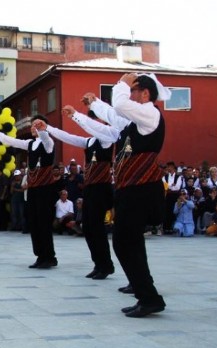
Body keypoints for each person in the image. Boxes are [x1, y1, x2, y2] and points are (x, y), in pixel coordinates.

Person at [83, 72, 170, 317]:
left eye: (133, 90)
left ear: (145, 93)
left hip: (141, 188)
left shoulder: (151, 113)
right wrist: (93, 104)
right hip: (131, 189)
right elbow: (113, 113)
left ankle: (149, 296)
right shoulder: (136, 122)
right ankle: (143, 291)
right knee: (130, 241)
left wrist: (122, 81)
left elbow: (119, 104)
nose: (129, 94)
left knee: (123, 241)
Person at [44, 106, 115, 279]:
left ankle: (106, 265)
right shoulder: (89, 142)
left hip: (101, 187)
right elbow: (68, 137)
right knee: (88, 227)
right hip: (90, 187)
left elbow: (91, 127)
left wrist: (75, 116)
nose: (95, 124)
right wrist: (48, 128)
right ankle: (98, 264)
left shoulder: (107, 138)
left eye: (97, 121)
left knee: (97, 227)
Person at [0, 117, 58, 268]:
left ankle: (49, 257)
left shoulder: (48, 142)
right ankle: (39, 255)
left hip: (45, 188)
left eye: (36, 125)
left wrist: (43, 129)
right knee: (34, 222)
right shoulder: (30, 144)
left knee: (44, 223)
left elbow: (45, 139)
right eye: (32, 125)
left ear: (43, 126)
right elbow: (9, 140)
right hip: (33, 188)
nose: (33, 127)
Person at [162, 162, 184, 234]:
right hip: (167, 196)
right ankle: (166, 228)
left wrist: (170, 186)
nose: (169, 168)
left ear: (174, 168)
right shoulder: (164, 177)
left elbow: (177, 187)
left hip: (175, 196)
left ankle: (173, 227)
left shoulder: (179, 177)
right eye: (168, 167)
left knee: (174, 211)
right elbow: (165, 187)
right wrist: (172, 186)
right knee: (167, 211)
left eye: (170, 167)